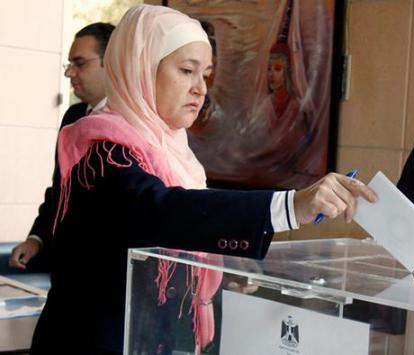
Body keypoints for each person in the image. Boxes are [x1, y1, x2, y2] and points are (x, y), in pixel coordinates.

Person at [28, 5, 377, 355]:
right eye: (186, 71)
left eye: (205, 75)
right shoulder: (104, 148)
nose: (200, 89)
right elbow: (162, 210)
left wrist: (223, 267)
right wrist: (289, 205)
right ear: (142, 69)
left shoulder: (169, 147)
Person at [8, 22, 115, 271]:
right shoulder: (73, 116)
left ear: (110, 63)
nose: (69, 73)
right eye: (69, 64)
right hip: (62, 266)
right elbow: (60, 188)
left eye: (80, 63)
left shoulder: (131, 123)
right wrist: (37, 238)